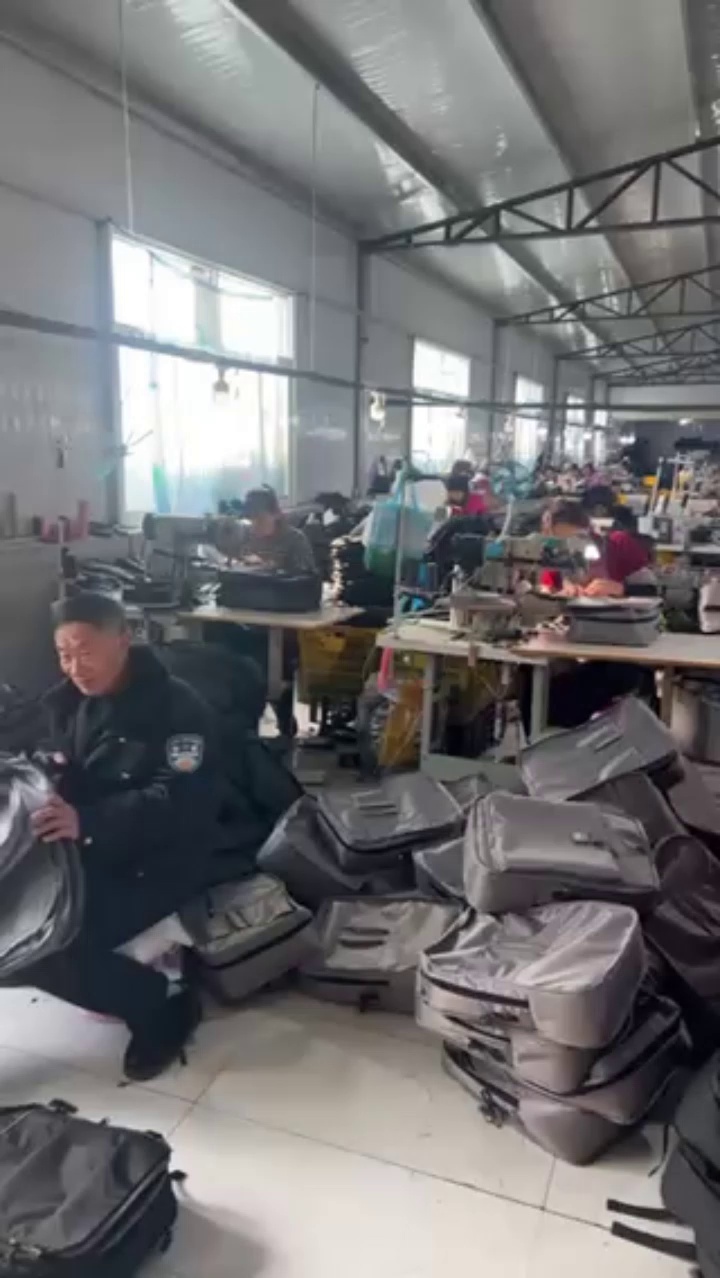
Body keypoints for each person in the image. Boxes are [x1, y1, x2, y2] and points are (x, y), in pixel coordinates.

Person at [23, 593, 222, 1082]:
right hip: (84, 850)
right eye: (64, 654)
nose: (75, 667)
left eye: (86, 652)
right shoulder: (65, 703)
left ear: (123, 639)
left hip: (157, 858)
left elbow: (182, 801)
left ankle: (162, 1008)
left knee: (49, 940)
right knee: (13, 931)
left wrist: (88, 821)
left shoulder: (179, 710)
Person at [213, 486, 316, 574]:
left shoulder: (295, 540)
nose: (254, 525)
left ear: (275, 514)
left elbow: (305, 579)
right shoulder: (246, 536)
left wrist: (268, 567)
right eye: (251, 518)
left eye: (260, 519)